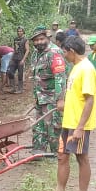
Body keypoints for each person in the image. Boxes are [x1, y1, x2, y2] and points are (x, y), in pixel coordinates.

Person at [47, 35, 96, 191]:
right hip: (68, 121)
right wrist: (64, 104)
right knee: (62, 157)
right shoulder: (75, 68)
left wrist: (80, 128)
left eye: (65, 52)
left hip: (78, 124)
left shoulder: (87, 69)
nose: (64, 56)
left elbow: (90, 100)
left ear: (72, 51)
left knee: (81, 158)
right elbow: (76, 95)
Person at [29, 26, 66, 154]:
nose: (39, 42)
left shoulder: (55, 53)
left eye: (41, 39)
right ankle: (39, 150)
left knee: (53, 126)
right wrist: (35, 96)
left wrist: (60, 99)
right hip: (40, 97)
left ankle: (58, 152)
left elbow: (60, 78)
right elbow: (35, 77)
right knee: (39, 125)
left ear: (47, 38)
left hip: (52, 98)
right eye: (36, 40)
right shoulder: (35, 54)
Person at [9, 27, 29, 94]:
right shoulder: (15, 39)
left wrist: (23, 59)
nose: (19, 32)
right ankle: (13, 88)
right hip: (14, 58)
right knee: (10, 72)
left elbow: (27, 50)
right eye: (18, 31)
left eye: (20, 31)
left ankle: (20, 89)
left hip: (21, 58)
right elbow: (14, 49)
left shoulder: (25, 39)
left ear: (23, 32)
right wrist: (11, 58)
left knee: (20, 74)